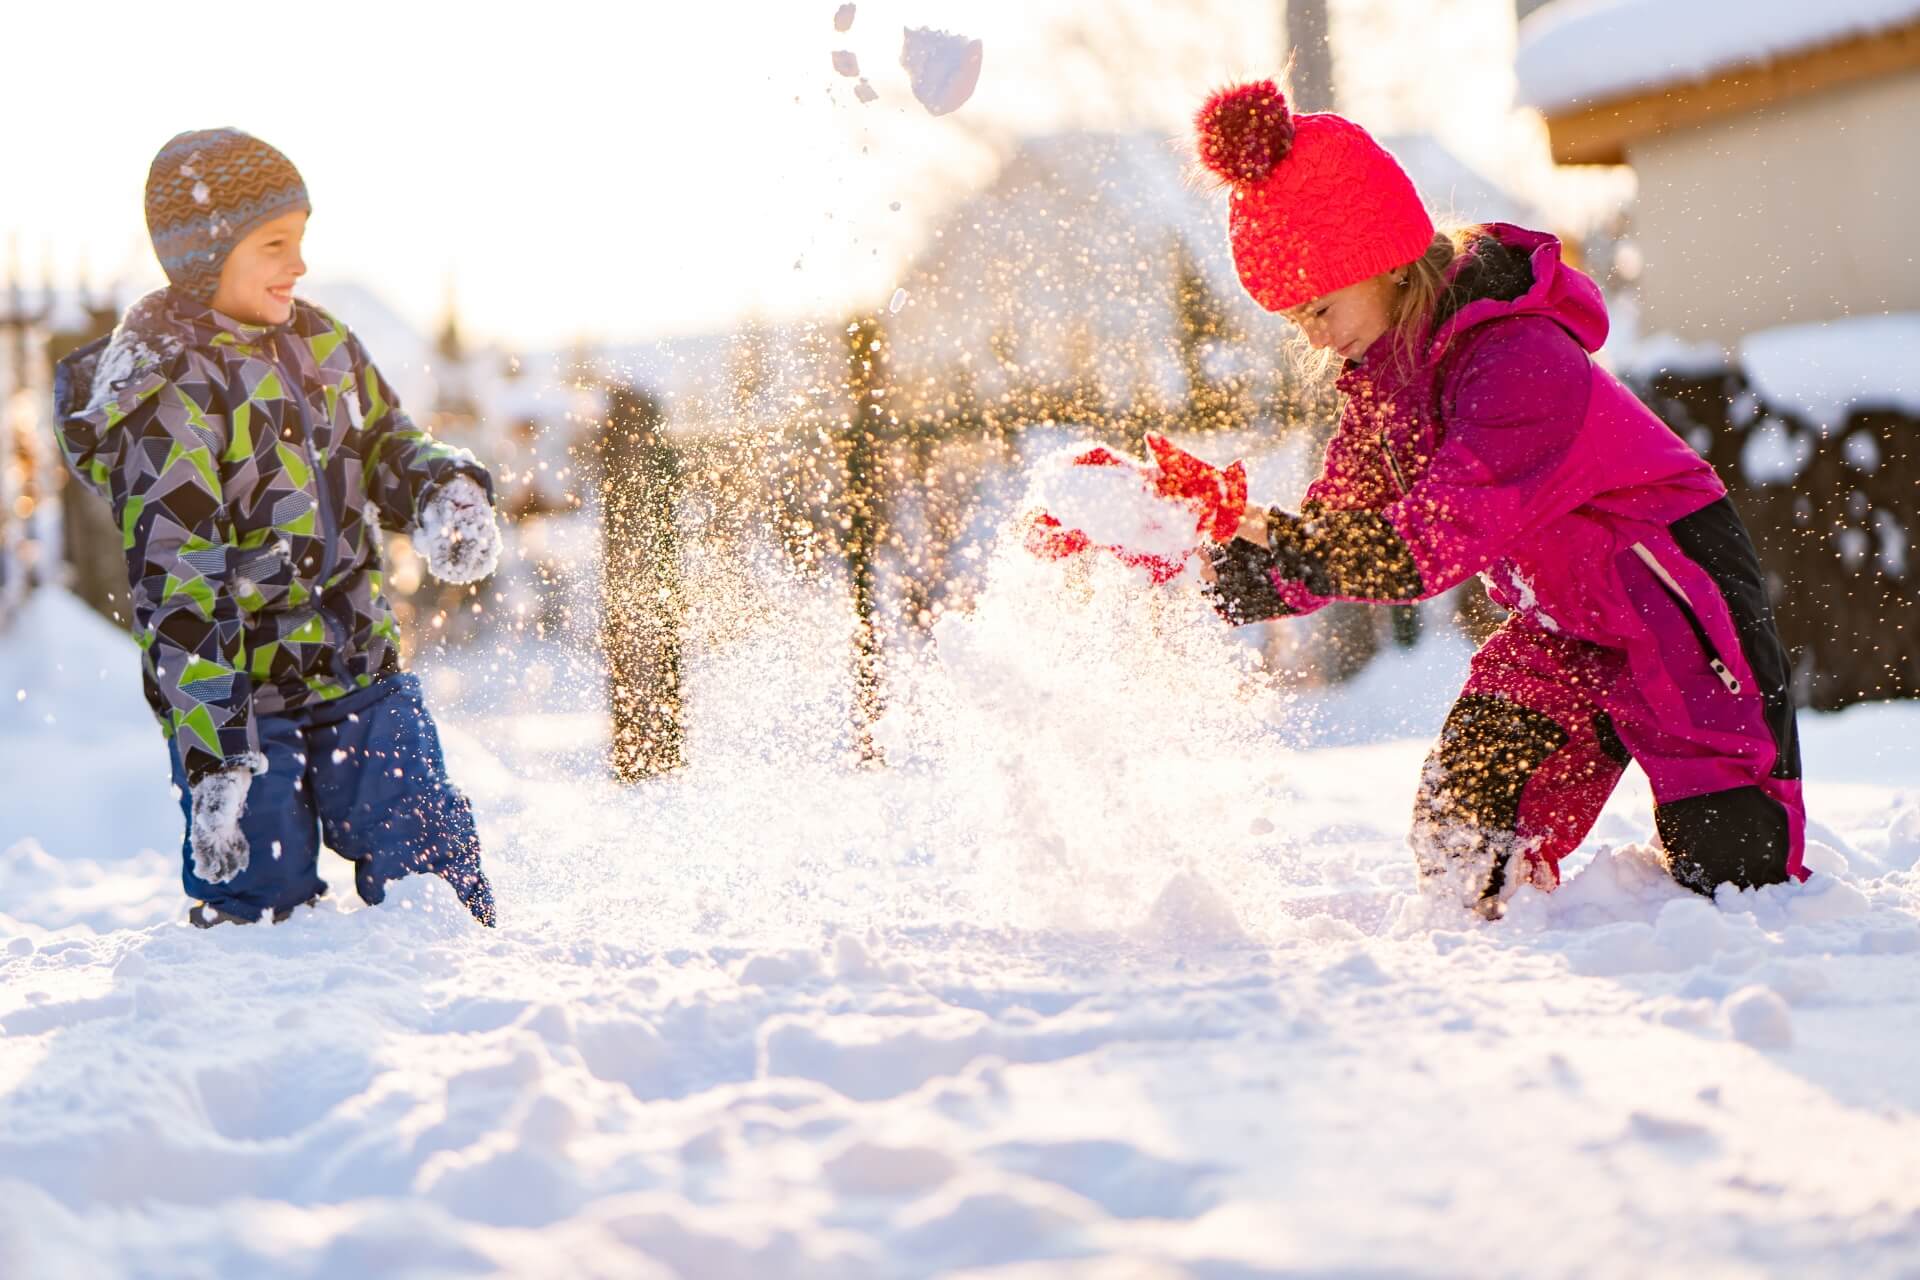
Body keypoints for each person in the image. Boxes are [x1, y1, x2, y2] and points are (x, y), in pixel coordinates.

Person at [1191, 81, 1806, 917]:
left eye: (1321, 307)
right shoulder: (1387, 386)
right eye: (1297, 320)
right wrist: (1228, 571)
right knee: (1462, 841)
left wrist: (1300, 552)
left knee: (1735, 871)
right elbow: (1341, 523)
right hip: (1566, 628)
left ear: (1380, 257)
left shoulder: (1517, 358)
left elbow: (1430, 540)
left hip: (1676, 605)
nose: (1315, 336)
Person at [53, 128, 503, 928]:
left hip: (357, 667)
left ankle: (458, 1021)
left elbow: (383, 444)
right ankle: (269, 1040)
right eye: (275, 244)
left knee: (431, 875)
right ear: (205, 257)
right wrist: (215, 757)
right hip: (244, 711)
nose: (298, 264)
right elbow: (178, 585)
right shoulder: (169, 395)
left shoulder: (322, 342)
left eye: (301, 240)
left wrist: (441, 487)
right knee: (260, 905)